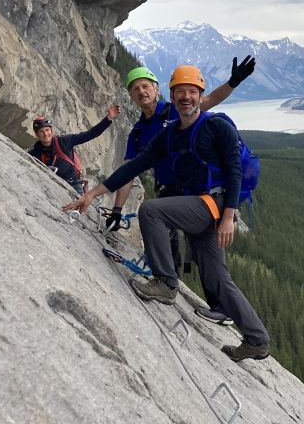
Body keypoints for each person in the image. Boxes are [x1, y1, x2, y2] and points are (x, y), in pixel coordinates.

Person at [64, 65, 270, 362]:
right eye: (180, 92)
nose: (186, 97)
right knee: (216, 278)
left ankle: (166, 284)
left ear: (199, 95)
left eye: (192, 92)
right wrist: (94, 194)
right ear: (172, 97)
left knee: (152, 212)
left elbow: (234, 170)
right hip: (193, 205)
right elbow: (135, 166)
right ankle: (256, 339)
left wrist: (228, 217)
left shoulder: (216, 127)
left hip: (211, 205)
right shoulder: (169, 134)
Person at [109, 57, 255, 326]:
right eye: (135, 89)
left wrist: (233, 83)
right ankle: (167, 284)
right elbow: (130, 169)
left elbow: (207, 101)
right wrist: (117, 209)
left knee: (202, 248)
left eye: (145, 86)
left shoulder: (174, 110)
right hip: (169, 192)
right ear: (131, 96)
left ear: (156, 89)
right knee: (170, 246)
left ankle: (219, 306)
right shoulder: (138, 132)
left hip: (193, 192)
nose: (141, 92)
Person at [29, 105, 121, 195]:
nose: (45, 134)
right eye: (41, 131)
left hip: (74, 185)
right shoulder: (35, 153)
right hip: (52, 187)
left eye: (47, 130)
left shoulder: (64, 141)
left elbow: (90, 134)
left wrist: (108, 118)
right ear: (37, 134)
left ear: (51, 131)